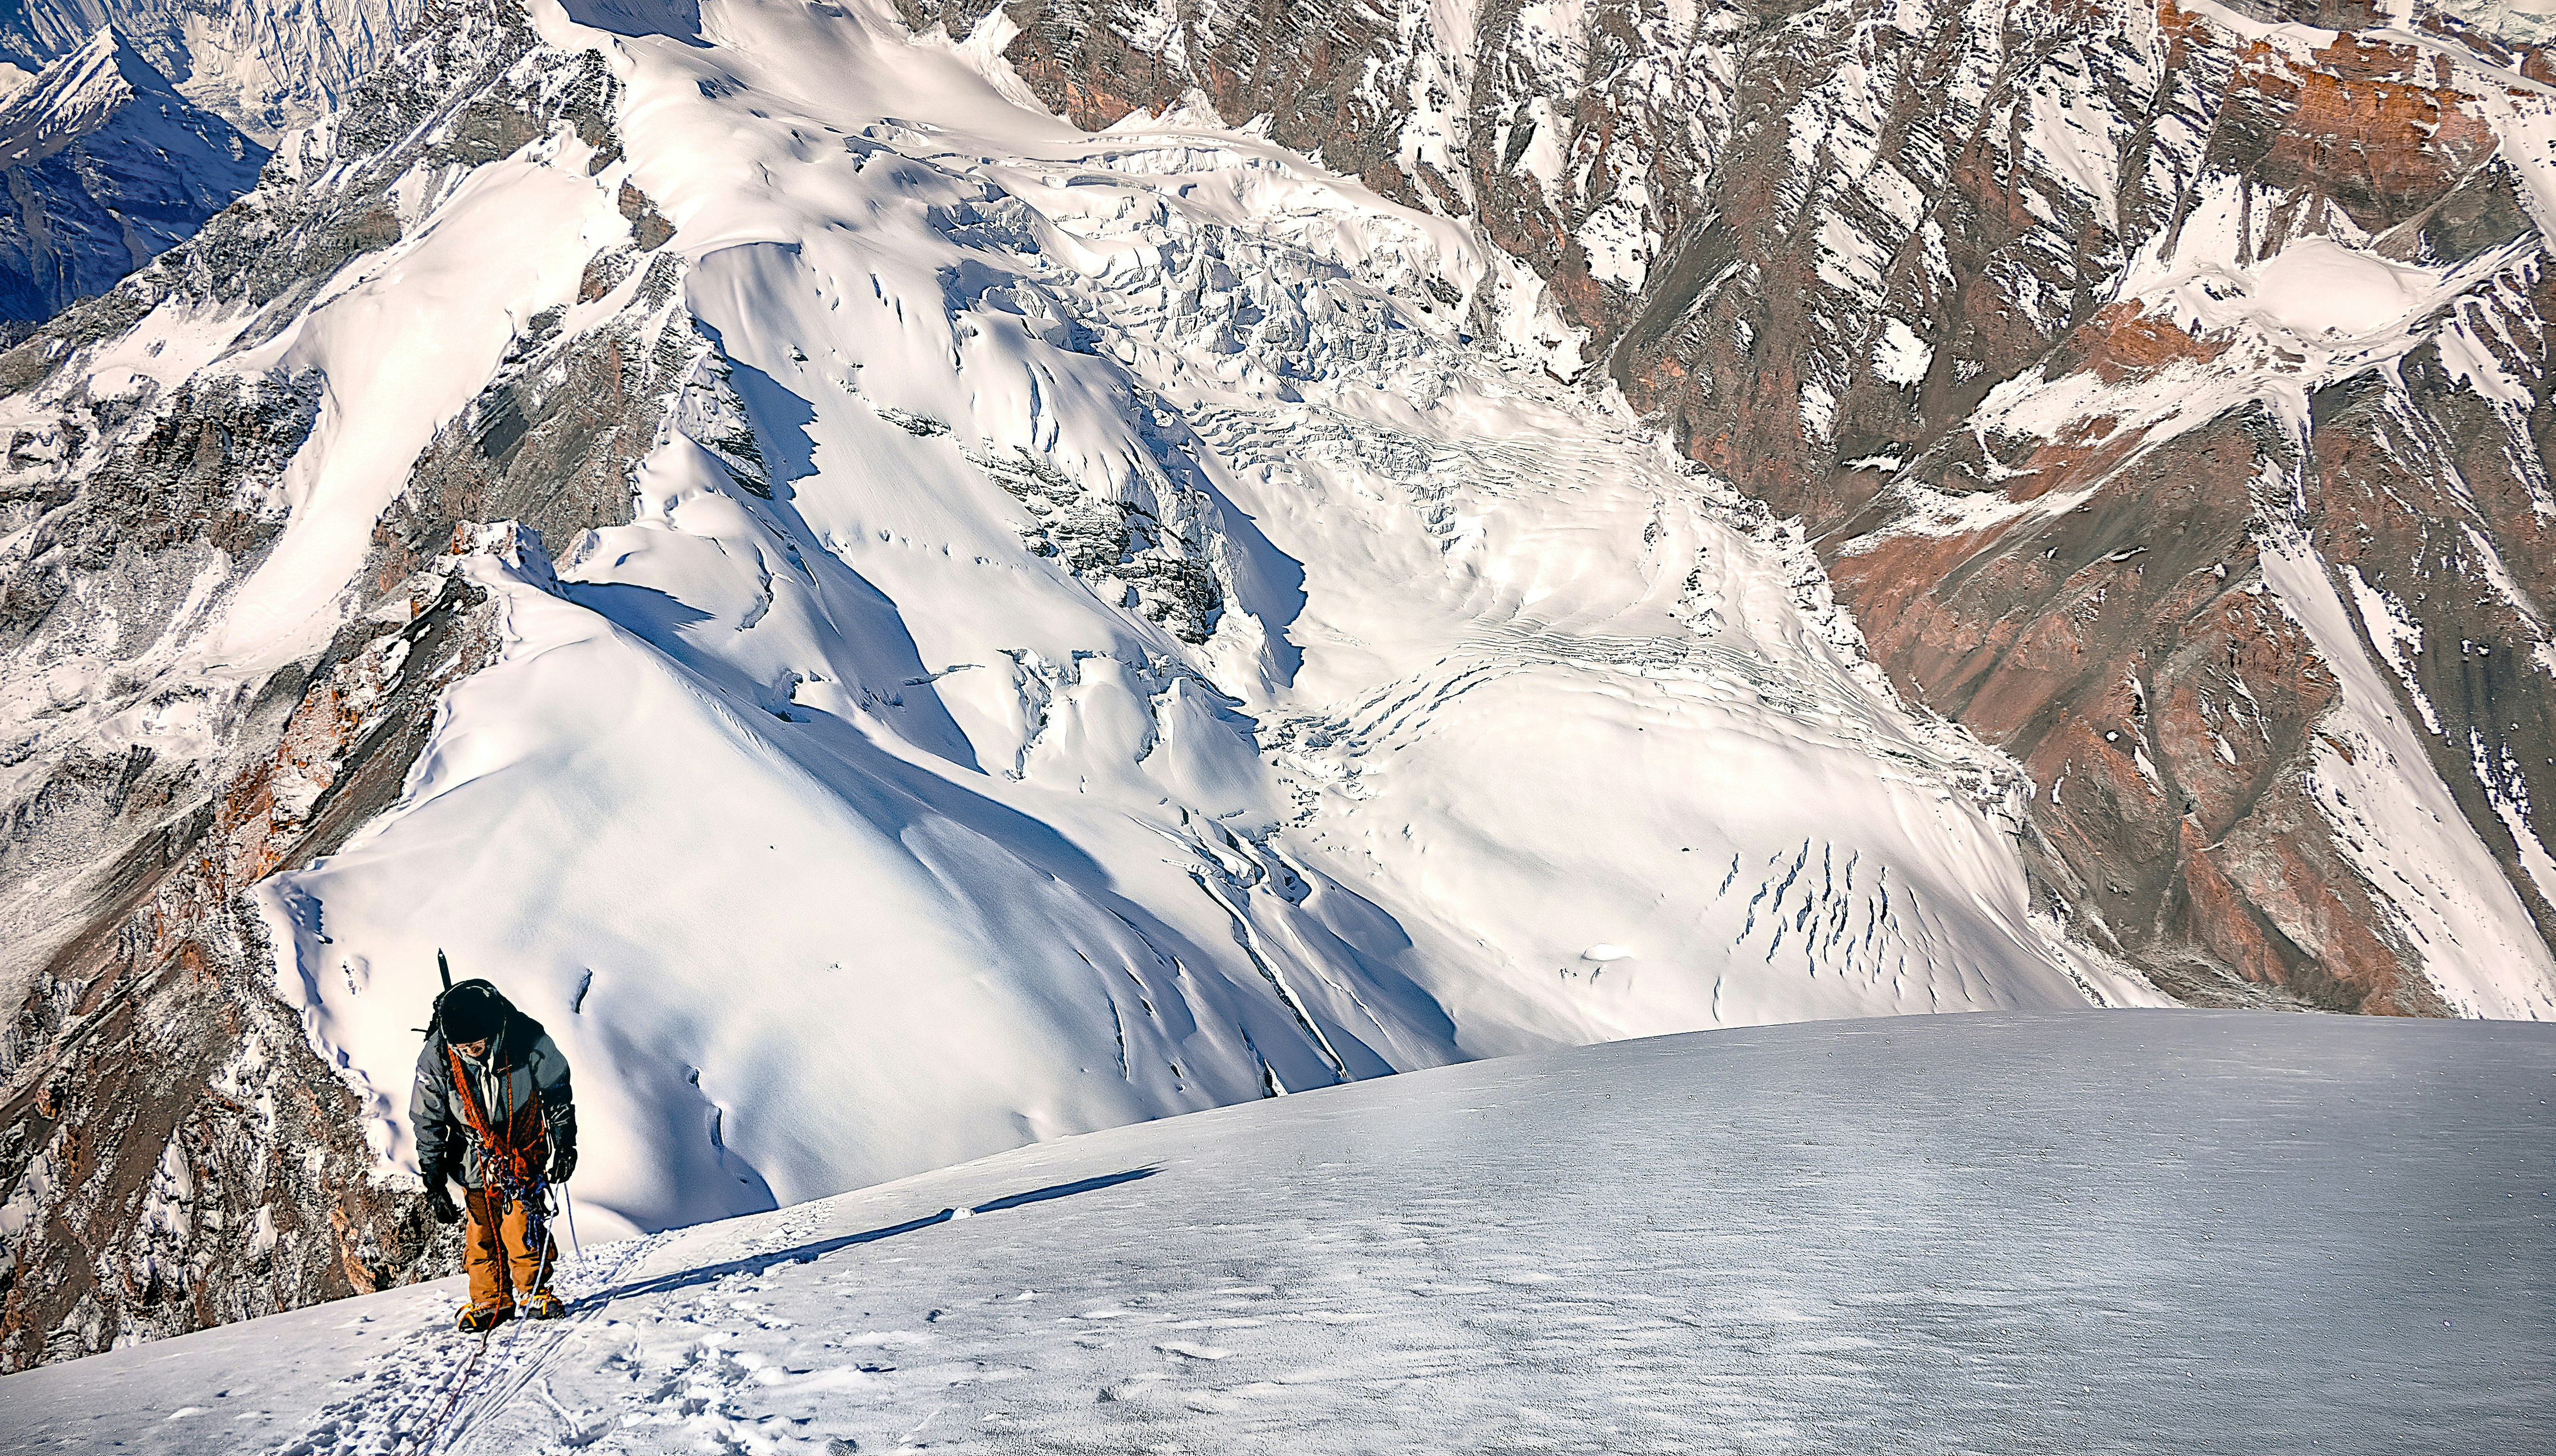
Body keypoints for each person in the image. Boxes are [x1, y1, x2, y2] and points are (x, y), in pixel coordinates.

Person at [410, 977, 578, 1331]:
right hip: (471, 1153)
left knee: (521, 1222)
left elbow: (557, 1091)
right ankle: (491, 1301)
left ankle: (534, 1291)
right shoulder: (438, 1056)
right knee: (481, 1229)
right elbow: (428, 1119)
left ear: (494, 1029)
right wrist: (434, 1180)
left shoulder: (527, 1038)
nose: (469, 1051)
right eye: (461, 1045)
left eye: (476, 1043)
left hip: (522, 1147)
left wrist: (565, 1143)